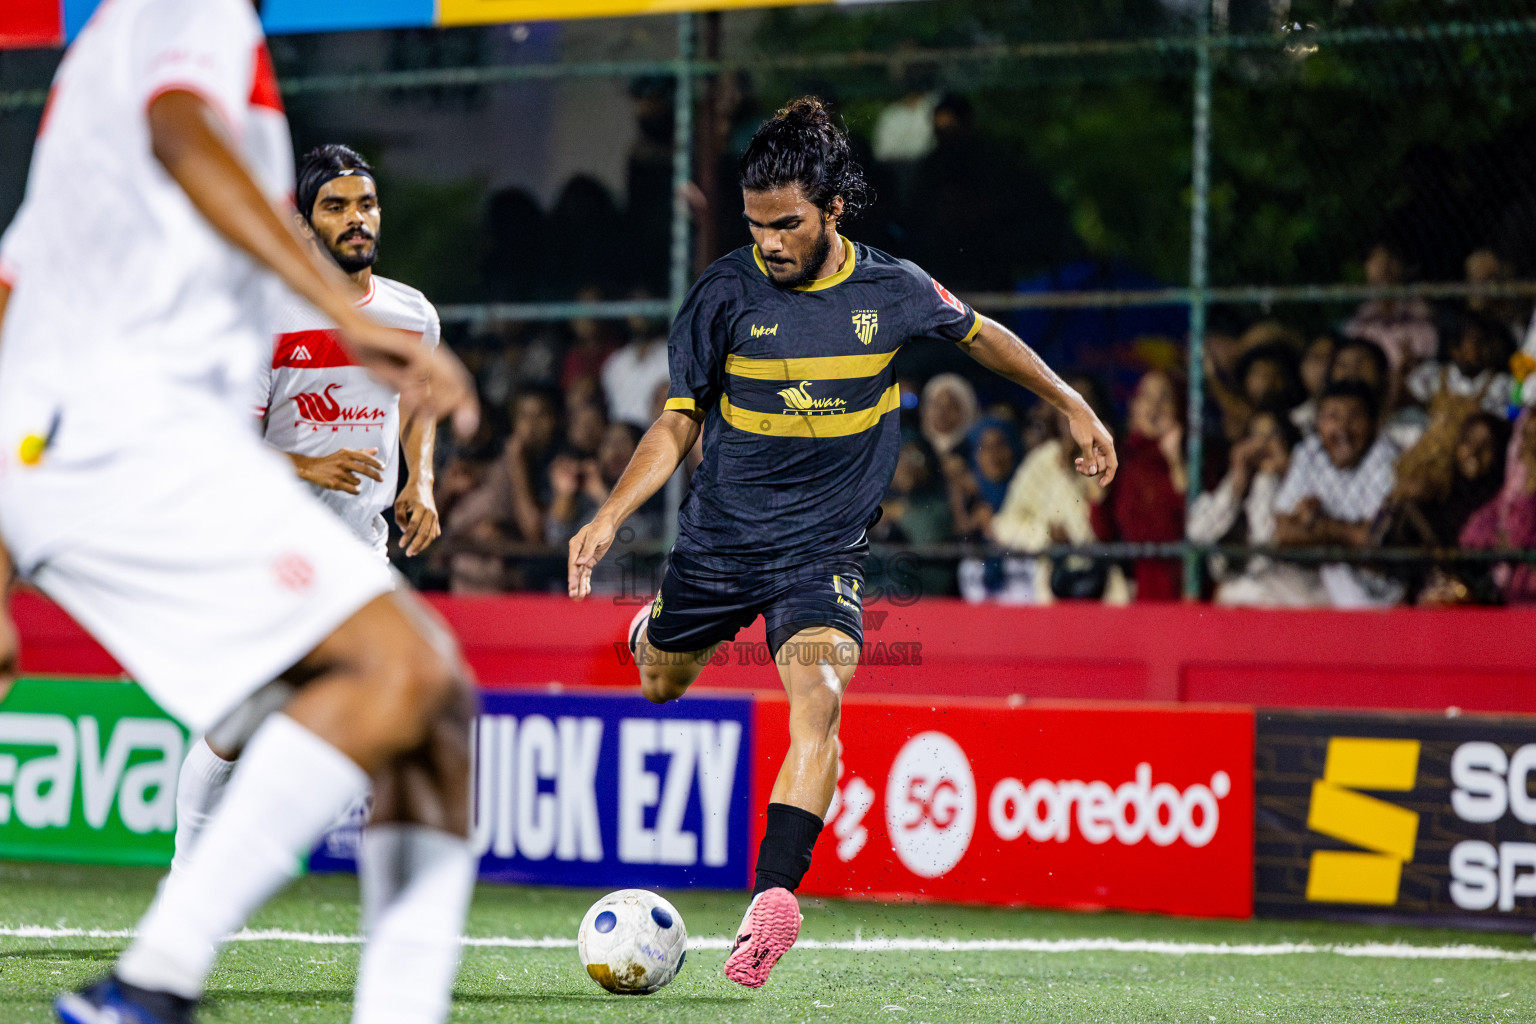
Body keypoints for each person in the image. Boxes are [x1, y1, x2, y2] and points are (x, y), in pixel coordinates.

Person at [565, 97, 1114, 988]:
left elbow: (986, 338)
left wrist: (1073, 404)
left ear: (833, 210)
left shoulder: (891, 290)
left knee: (819, 698)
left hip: (823, 551)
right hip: (720, 542)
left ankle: (773, 902)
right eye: (755, 226)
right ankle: (652, 634)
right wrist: (610, 515)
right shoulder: (723, 293)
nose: (770, 242)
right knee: (661, 684)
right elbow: (676, 424)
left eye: (787, 225)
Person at [0, 3, 479, 1023]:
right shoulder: (192, 12)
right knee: (397, 672)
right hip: (117, 433)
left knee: (429, 703)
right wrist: (341, 308)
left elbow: (19, 287)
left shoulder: (112, 56)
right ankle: (153, 979)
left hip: (70, 439)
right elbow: (184, 128)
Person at [169, 143, 449, 902]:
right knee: (237, 730)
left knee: (416, 708)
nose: (357, 219)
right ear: (302, 225)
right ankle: (188, 884)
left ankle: (403, 906)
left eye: (365, 203)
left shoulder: (409, 314)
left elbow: (419, 403)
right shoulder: (267, 321)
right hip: (272, 557)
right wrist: (305, 468)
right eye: (336, 206)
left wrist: (418, 481)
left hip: (359, 556)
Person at [1093, 369, 1188, 601]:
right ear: (1134, 406)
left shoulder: (1193, 458)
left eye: (1164, 398)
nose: (1155, 406)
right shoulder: (1121, 457)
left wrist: (1176, 461)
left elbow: (1193, 522)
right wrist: (1100, 484)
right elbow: (1101, 531)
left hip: (1183, 581)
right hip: (1131, 584)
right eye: (1147, 397)